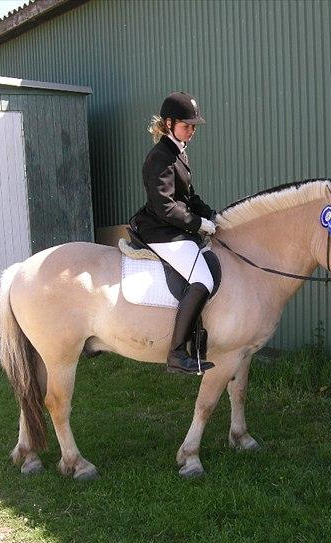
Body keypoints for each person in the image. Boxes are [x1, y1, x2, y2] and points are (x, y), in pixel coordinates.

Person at [129, 91, 217, 375]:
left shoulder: (178, 151)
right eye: (186, 125)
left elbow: (188, 196)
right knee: (202, 280)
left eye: (193, 126)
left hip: (173, 226)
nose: (191, 131)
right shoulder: (160, 156)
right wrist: (197, 223)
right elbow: (166, 206)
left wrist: (213, 214)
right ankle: (177, 354)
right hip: (160, 230)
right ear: (168, 123)